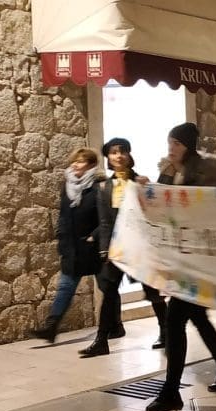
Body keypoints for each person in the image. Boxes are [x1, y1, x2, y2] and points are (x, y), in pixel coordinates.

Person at [145, 123, 216, 411]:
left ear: (188, 145)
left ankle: (171, 391)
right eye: (169, 142)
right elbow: (160, 204)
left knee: (175, 321)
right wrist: (154, 182)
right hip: (182, 258)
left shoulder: (205, 173)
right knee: (198, 317)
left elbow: (202, 208)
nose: (171, 148)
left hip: (200, 260)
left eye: (176, 143)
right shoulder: (172, 170)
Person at [80, 138, 169, 356]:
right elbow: (104, 222)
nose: (118, 156)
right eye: (113, 152)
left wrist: (149, 189)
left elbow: (154, 212)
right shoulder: (103, 187)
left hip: (140, 247)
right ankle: (101, 340)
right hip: (117, 247)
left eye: (122, 151)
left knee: (152, 291)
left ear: (129, 155)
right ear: (108, 158)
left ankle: (167, 333)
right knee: (109, 293)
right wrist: (104, 250)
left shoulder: (140, 183)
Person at [31, 148, 103, 343]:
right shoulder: (68, 186)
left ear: (91, 165)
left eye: (81, 162)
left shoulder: (98, 187)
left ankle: (114, 325)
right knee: (65, 286)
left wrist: (94, 236)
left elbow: (106, 217)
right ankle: (51, 327)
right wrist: (61, 237)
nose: (75, 165)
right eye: (74, 161)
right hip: (73, 247)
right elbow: (64, 215)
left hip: (94, 246)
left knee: (107, 287)